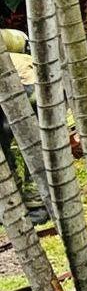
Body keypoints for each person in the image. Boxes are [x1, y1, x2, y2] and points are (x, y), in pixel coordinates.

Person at [1, 29, 50, 227]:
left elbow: (23, 41)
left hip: (26, 83)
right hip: (15, 80)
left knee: (33, 144)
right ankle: (12, 200)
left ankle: (38, 205)